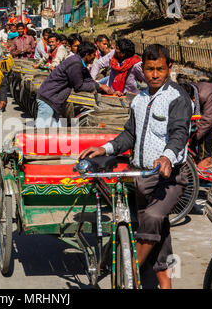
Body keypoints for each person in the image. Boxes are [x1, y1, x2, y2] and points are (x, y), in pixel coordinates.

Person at [80, 44, 193, 289]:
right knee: (158, 237)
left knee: (152, 218)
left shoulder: (178, 97)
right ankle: (165, 286)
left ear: (169, 68)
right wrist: (106, 148)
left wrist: (166, 157)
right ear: (143, 69)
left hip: (169, 176)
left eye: (160, 69)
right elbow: (129, 134)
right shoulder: (139, 99)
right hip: (141, 176)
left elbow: (179, 133)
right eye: (150, 69)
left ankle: (128, 270)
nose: (154, 74)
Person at [35, 42, 111, 128]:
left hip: (53, 100)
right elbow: (79, 86)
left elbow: (88, 80)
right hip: (48, 98)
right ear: (87, 55)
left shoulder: (79, 63)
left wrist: (102, 87)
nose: (95, 57)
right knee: (42, 131)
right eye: (93, 54)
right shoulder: (75, 64)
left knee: (53, 132)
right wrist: (100, 86)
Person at [179, 80, 212, 170]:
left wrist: (193, 138)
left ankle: (206, 159)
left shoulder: (207, 94)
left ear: (193, 98)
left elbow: (208, 120)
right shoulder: (190, 89)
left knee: (206, 124)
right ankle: (195, 155)